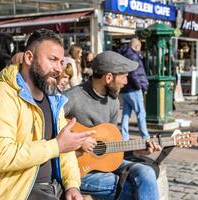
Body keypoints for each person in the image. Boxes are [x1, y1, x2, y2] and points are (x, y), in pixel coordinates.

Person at [0, 29, 95, 200]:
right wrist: (55, 146)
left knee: (133, 177)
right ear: (29, 58)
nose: (58, 68)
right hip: (13, 192)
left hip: (54, 188)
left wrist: (72, 186)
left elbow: (65, 152)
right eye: (52, 60)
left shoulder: (54, 100)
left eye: (60, 62)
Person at [64, 51, 162, 200]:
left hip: (103, 163)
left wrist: (137, 151)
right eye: (124, 76)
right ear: (108, 77)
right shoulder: (72, 97)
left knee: (147, 173)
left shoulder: (113, 102)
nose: (126, 82)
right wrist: (77, 141)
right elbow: (46, 126)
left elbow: (110, 145)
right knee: (130, 189)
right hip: (76, 169)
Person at [118, 38, 150, 141]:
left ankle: (124, 136)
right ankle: (145, 137)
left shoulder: (123, 54)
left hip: (124, 89)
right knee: (141, 113)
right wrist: (140, 86)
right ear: (136, 46)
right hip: (133, 89)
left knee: (126, 114)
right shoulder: (133, 55)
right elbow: (135, 73)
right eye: (139, 48)